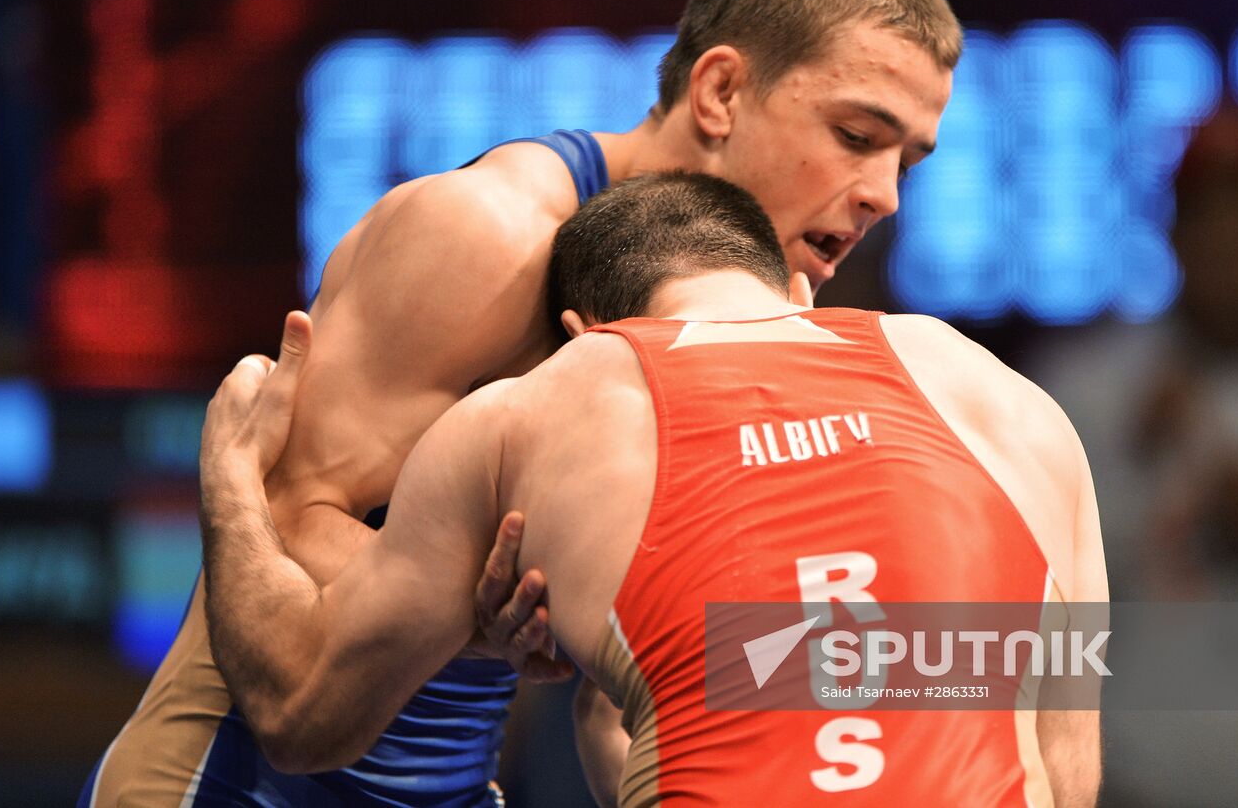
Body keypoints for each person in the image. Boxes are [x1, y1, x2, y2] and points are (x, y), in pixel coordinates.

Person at [81, 0, 962, 807]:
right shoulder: (488, 236)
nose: (886, 195)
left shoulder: (759, 320)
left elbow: (646, 681)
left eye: (909, 160)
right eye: (858, 136)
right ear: (721, 92)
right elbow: (286, 519)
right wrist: (488, 612)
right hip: (232, 784)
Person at [199, 173, 1107, 807]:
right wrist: (623, 678)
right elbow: (1065, 778)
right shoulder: (1003, 397)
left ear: (581, 330)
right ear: (795, 291)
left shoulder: (544, 404)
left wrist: (231, 476)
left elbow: (300, 710)